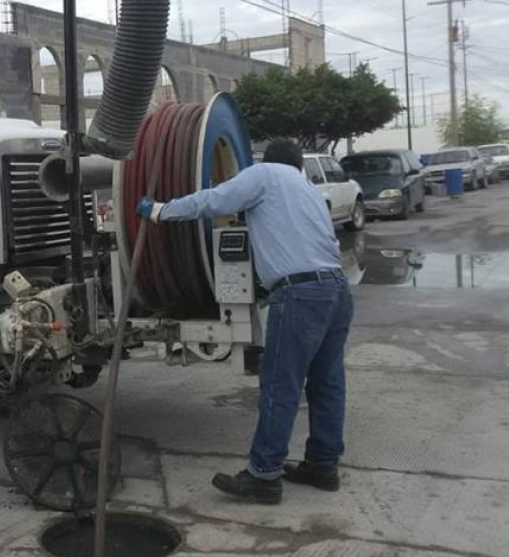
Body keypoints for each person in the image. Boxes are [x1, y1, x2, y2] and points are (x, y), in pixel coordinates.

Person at [137, 139, 354, 505]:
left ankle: (264, 475)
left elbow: (213, 200)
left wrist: (160, 210)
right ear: (299, 164)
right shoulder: (309, 189)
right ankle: (323, 465)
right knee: (327, 383)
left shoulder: (264, 175)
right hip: (337, 289)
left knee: (280, 385)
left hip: (300, 295)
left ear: (267, 160)